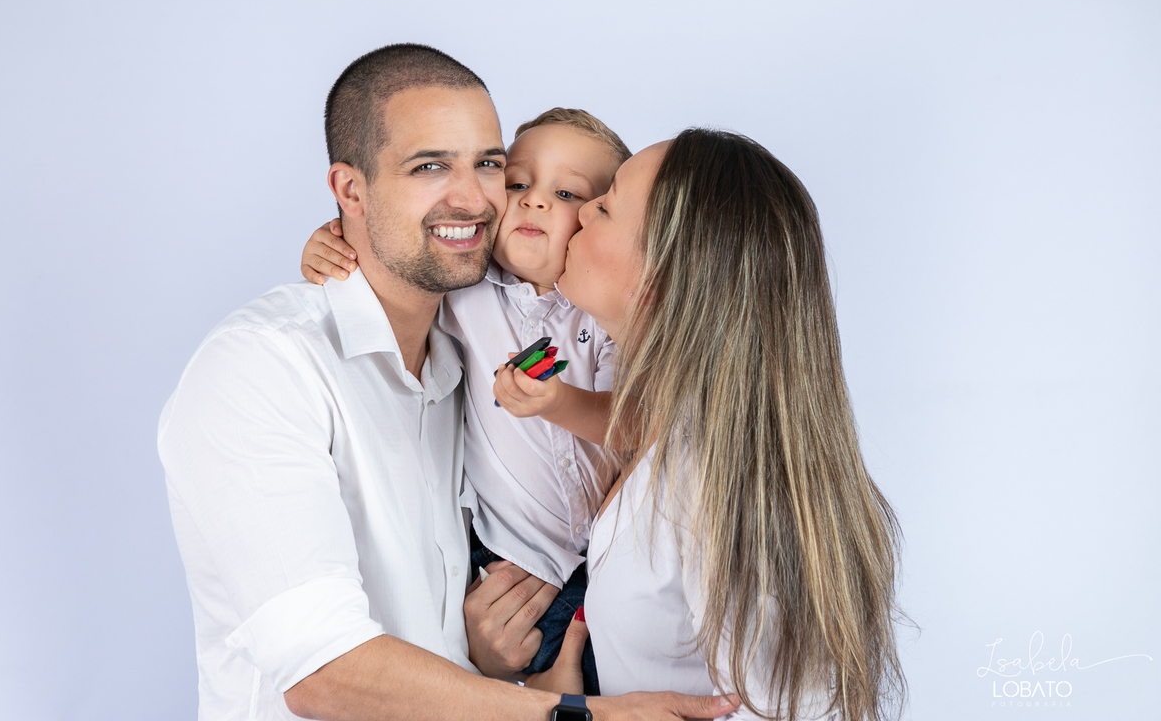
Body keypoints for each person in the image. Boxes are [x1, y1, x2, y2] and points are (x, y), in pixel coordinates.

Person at [158, 43, 735, 721]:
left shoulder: (457, 361)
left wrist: (489, 656)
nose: (475, 198)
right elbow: (320, 670)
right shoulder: (262, 367)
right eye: (429, 166)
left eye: (488, 164)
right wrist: (578, 715)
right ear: (350, 190)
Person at [540, 129, 907, 719]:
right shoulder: (670, 440)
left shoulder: (723, 486)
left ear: (662, 280)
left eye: (605, 206)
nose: (580, 210)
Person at [300, 108, 631, 693]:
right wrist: (330, 241)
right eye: (518, 184)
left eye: (565, 193)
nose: (532, 202)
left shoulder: (604, 317)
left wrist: (554, 402)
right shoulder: (466, 288)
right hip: (514, 562)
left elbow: (629, 426)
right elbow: (395, 261)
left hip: (611, 565)